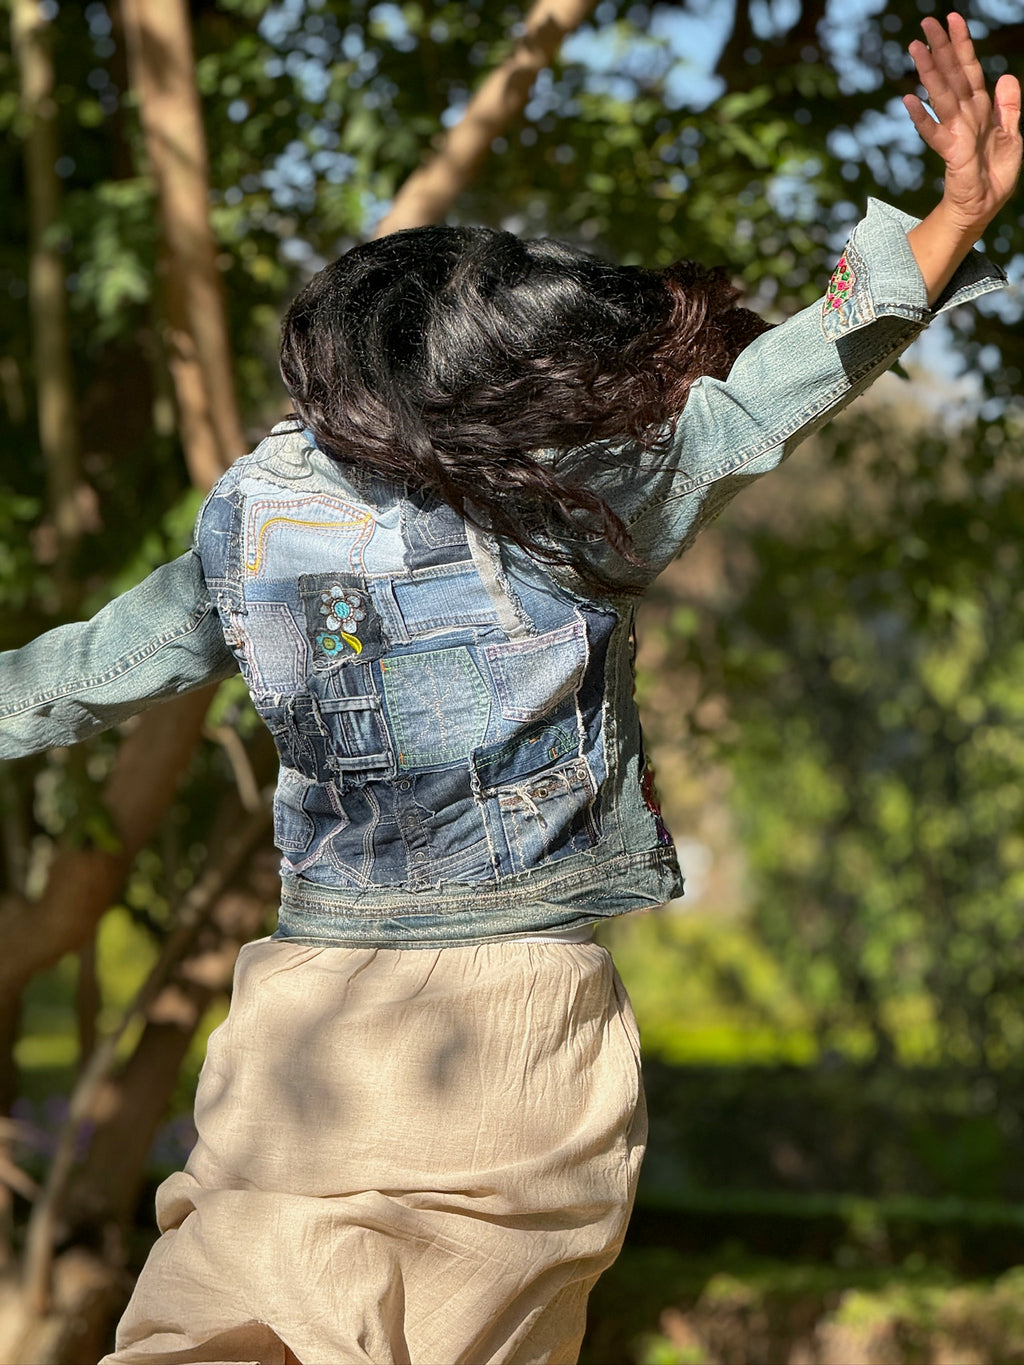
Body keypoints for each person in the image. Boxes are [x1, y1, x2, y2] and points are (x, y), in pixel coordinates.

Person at [0, 15, 1019, 1365]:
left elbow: (85, 672)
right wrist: (952, 215)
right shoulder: (588, 491)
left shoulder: (258, 509)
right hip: (517, 1044)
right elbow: (784, 384)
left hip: (303, 1029)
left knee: (207, 1336)